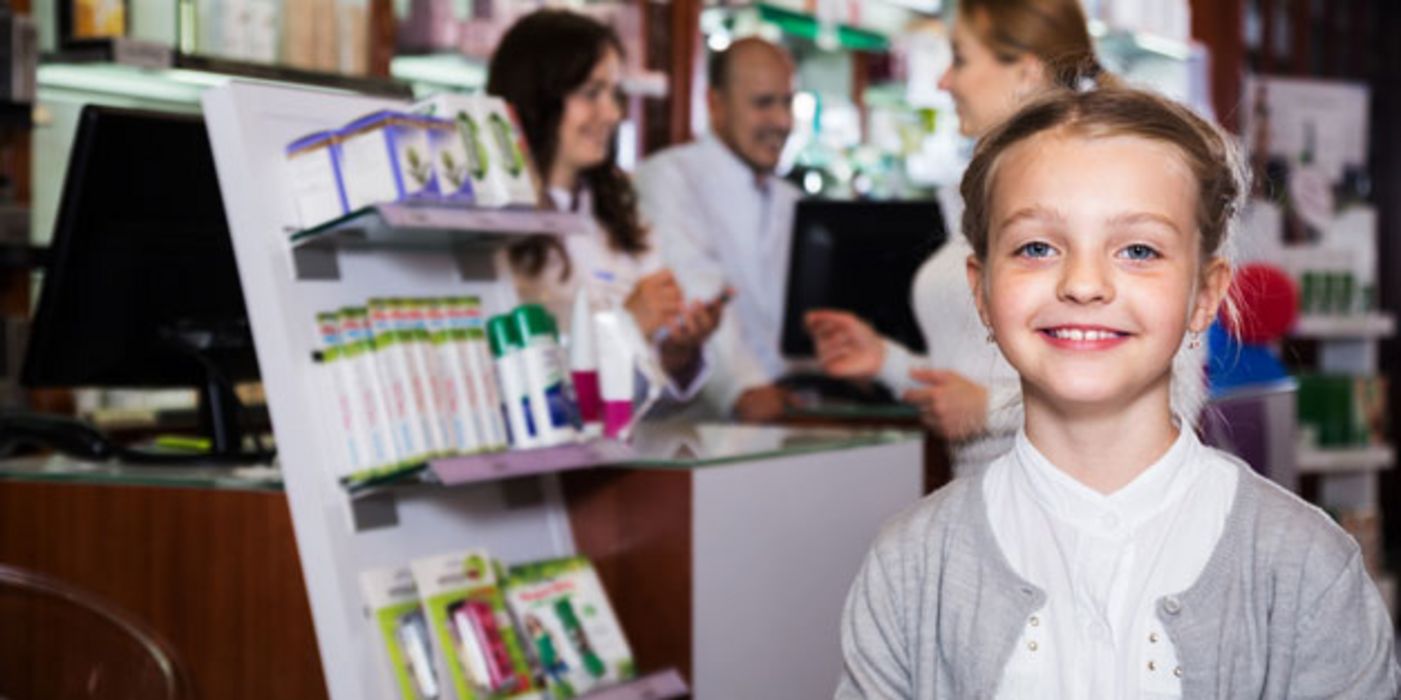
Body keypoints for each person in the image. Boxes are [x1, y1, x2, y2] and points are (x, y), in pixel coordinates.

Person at [836, 87, 1399, 698]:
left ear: (1204, 295)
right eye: (1037, 247)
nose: (1083, 283)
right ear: (982, 290)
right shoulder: (911, 565)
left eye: (1138, 250)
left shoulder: (1307, 569)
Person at [807, 0, 1117, 475]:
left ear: (1026, 73)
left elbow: (1162, 387)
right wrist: (885, 360)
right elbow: (970, 380)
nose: (943, 81)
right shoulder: (983, 196)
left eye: (961, 59)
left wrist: (988, 410)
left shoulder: (1095, 190)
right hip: (982, 501)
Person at [487, 10, 722, 395]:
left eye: (614, 94)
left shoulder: (620, 212)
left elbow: (647, 396)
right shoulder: (487, 221)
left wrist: (675, 352)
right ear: (539, 96)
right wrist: (628, 325)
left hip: (627, 447)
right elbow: (514, 382)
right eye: (591, 93)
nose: (612, 113)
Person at [634, 37, 802, 422]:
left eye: (787, 102)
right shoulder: (671, 177)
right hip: (702, 430)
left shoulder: (791, 200)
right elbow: (698, 291)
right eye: (763, 103)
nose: (781, 121)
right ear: (715, 104)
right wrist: (744, 387)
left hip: (793, 413)